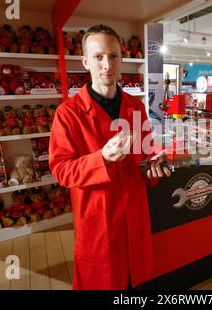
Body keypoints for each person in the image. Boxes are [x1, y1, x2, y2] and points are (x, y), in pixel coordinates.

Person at [49, 24, 171, 290]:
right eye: (98, 57)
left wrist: (155, 166)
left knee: (136, 282)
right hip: (97, 221)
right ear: (85, 61)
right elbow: (61, 170)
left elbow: (147, 156)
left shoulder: (136, 106)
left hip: (135, 215)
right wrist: (101, 158)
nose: (107, 64)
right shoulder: (68, 114)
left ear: (121, 58)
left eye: (113, 56)